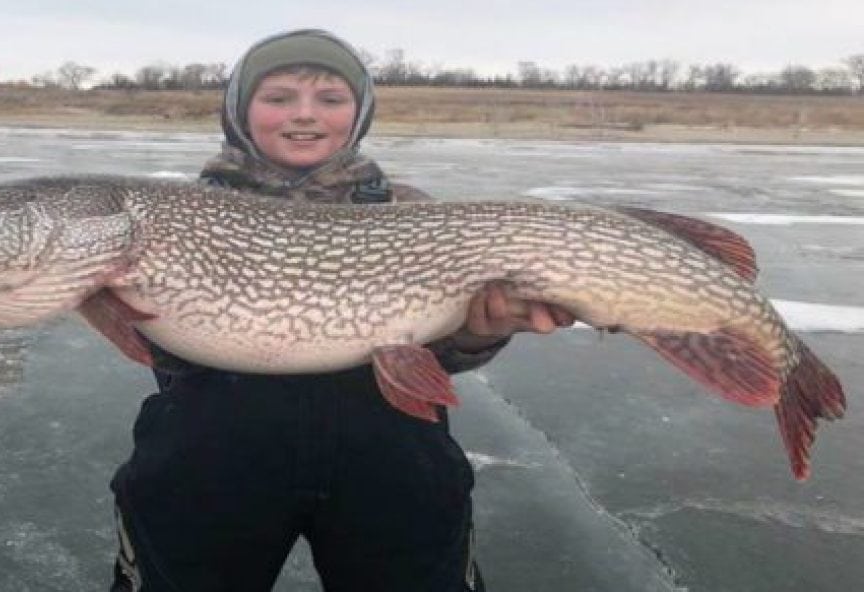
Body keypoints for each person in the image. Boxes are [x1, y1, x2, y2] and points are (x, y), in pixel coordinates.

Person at [109, 29, 573, 592]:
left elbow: (438, 353)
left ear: (357, 114)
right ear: (238, 111)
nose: (304, 116)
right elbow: (166, 347)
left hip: (391, 465)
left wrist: (479, 334)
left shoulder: (407, 211)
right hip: (211, 462)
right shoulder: (177, 213)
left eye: (330, 100)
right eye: (278, 98)